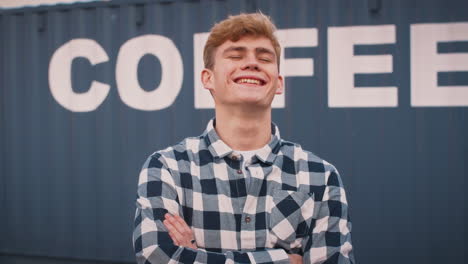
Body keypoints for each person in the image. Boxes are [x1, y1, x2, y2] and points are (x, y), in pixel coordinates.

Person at [133, 13, 354, 264]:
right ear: (208, 78)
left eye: (264, 57)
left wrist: (194, 255)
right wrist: (287, 261)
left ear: (278, 83)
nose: (251, 63)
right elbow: (156, 257)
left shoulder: (320, 176)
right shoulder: (167, 168)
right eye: (236, 56)